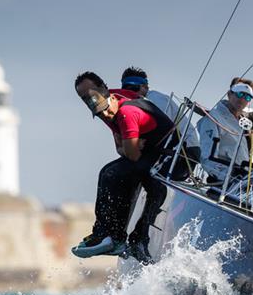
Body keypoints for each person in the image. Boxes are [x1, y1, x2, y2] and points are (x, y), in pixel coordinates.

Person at [72, 71, 176, 259]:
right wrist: (128, 147)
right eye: (83, 97)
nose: (89, 100)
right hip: (150, 150)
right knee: (108, 172)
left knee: (117, 174)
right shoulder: (103, 107)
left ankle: (120, 238)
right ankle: (104, 234)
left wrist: (131, 146)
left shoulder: (125, 111)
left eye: (91, 93)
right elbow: (122, 148)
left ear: (104, 88)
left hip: (173, 154)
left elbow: (134, 155)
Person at [197, 77, 253, 177]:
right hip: (224, 182)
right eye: (240, 94)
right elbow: (206, 158)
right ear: (229, 94)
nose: (242, 99)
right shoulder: (213, 118)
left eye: (247, 97)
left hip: (243, 181)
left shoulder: (245, 124)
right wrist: (228, 176)